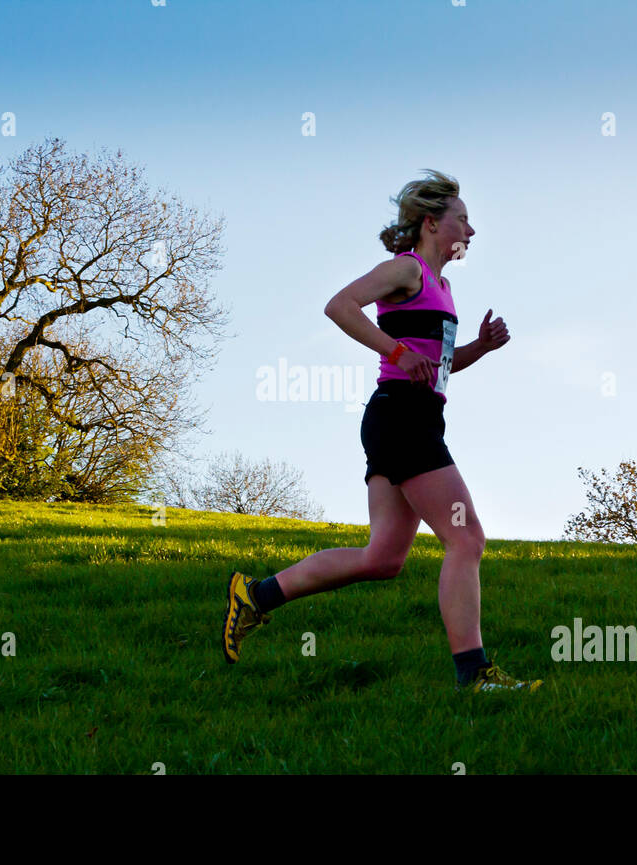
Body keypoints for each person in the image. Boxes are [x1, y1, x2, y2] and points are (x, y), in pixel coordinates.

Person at [222, 169, 542, 693]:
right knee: (466, 539)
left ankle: (256, 596)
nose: (472, 229)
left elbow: (434, 366)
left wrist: (479, 348)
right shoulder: (404, 270)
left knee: (383, 558)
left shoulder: (443, 286)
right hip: (402, 416)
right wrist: (394, 351)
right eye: (463, 218)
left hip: (408, 415)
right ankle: (475, 675)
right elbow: (339, 306)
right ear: (431, 222)